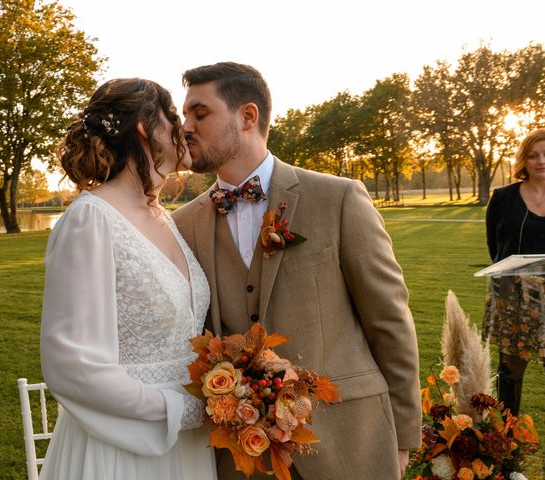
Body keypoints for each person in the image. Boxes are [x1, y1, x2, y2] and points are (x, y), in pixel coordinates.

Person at [172, 62, 421, 480]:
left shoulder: (337, 198)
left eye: (200, 114)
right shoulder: (183, 224)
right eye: (184, 117)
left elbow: (389, 320)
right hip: (241, 456)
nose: (185, 128)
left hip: (349, 440)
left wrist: (403, 435)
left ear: (247, 117)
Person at [39, 78, 216, 480]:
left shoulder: (165, 219)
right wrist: (180, 408)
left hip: (188, 449)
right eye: (173, 116)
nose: (184, 127)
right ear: (144, 127)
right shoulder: (90, 219)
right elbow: (72, 366)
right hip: (120, 450)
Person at [484, 128, 545, 473]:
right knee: (510, 371)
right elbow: (496, 249)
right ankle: (508, 443)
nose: (542, 160)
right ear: (524, 159)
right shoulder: (503, 197)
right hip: (514, 296)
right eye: (534, 154)